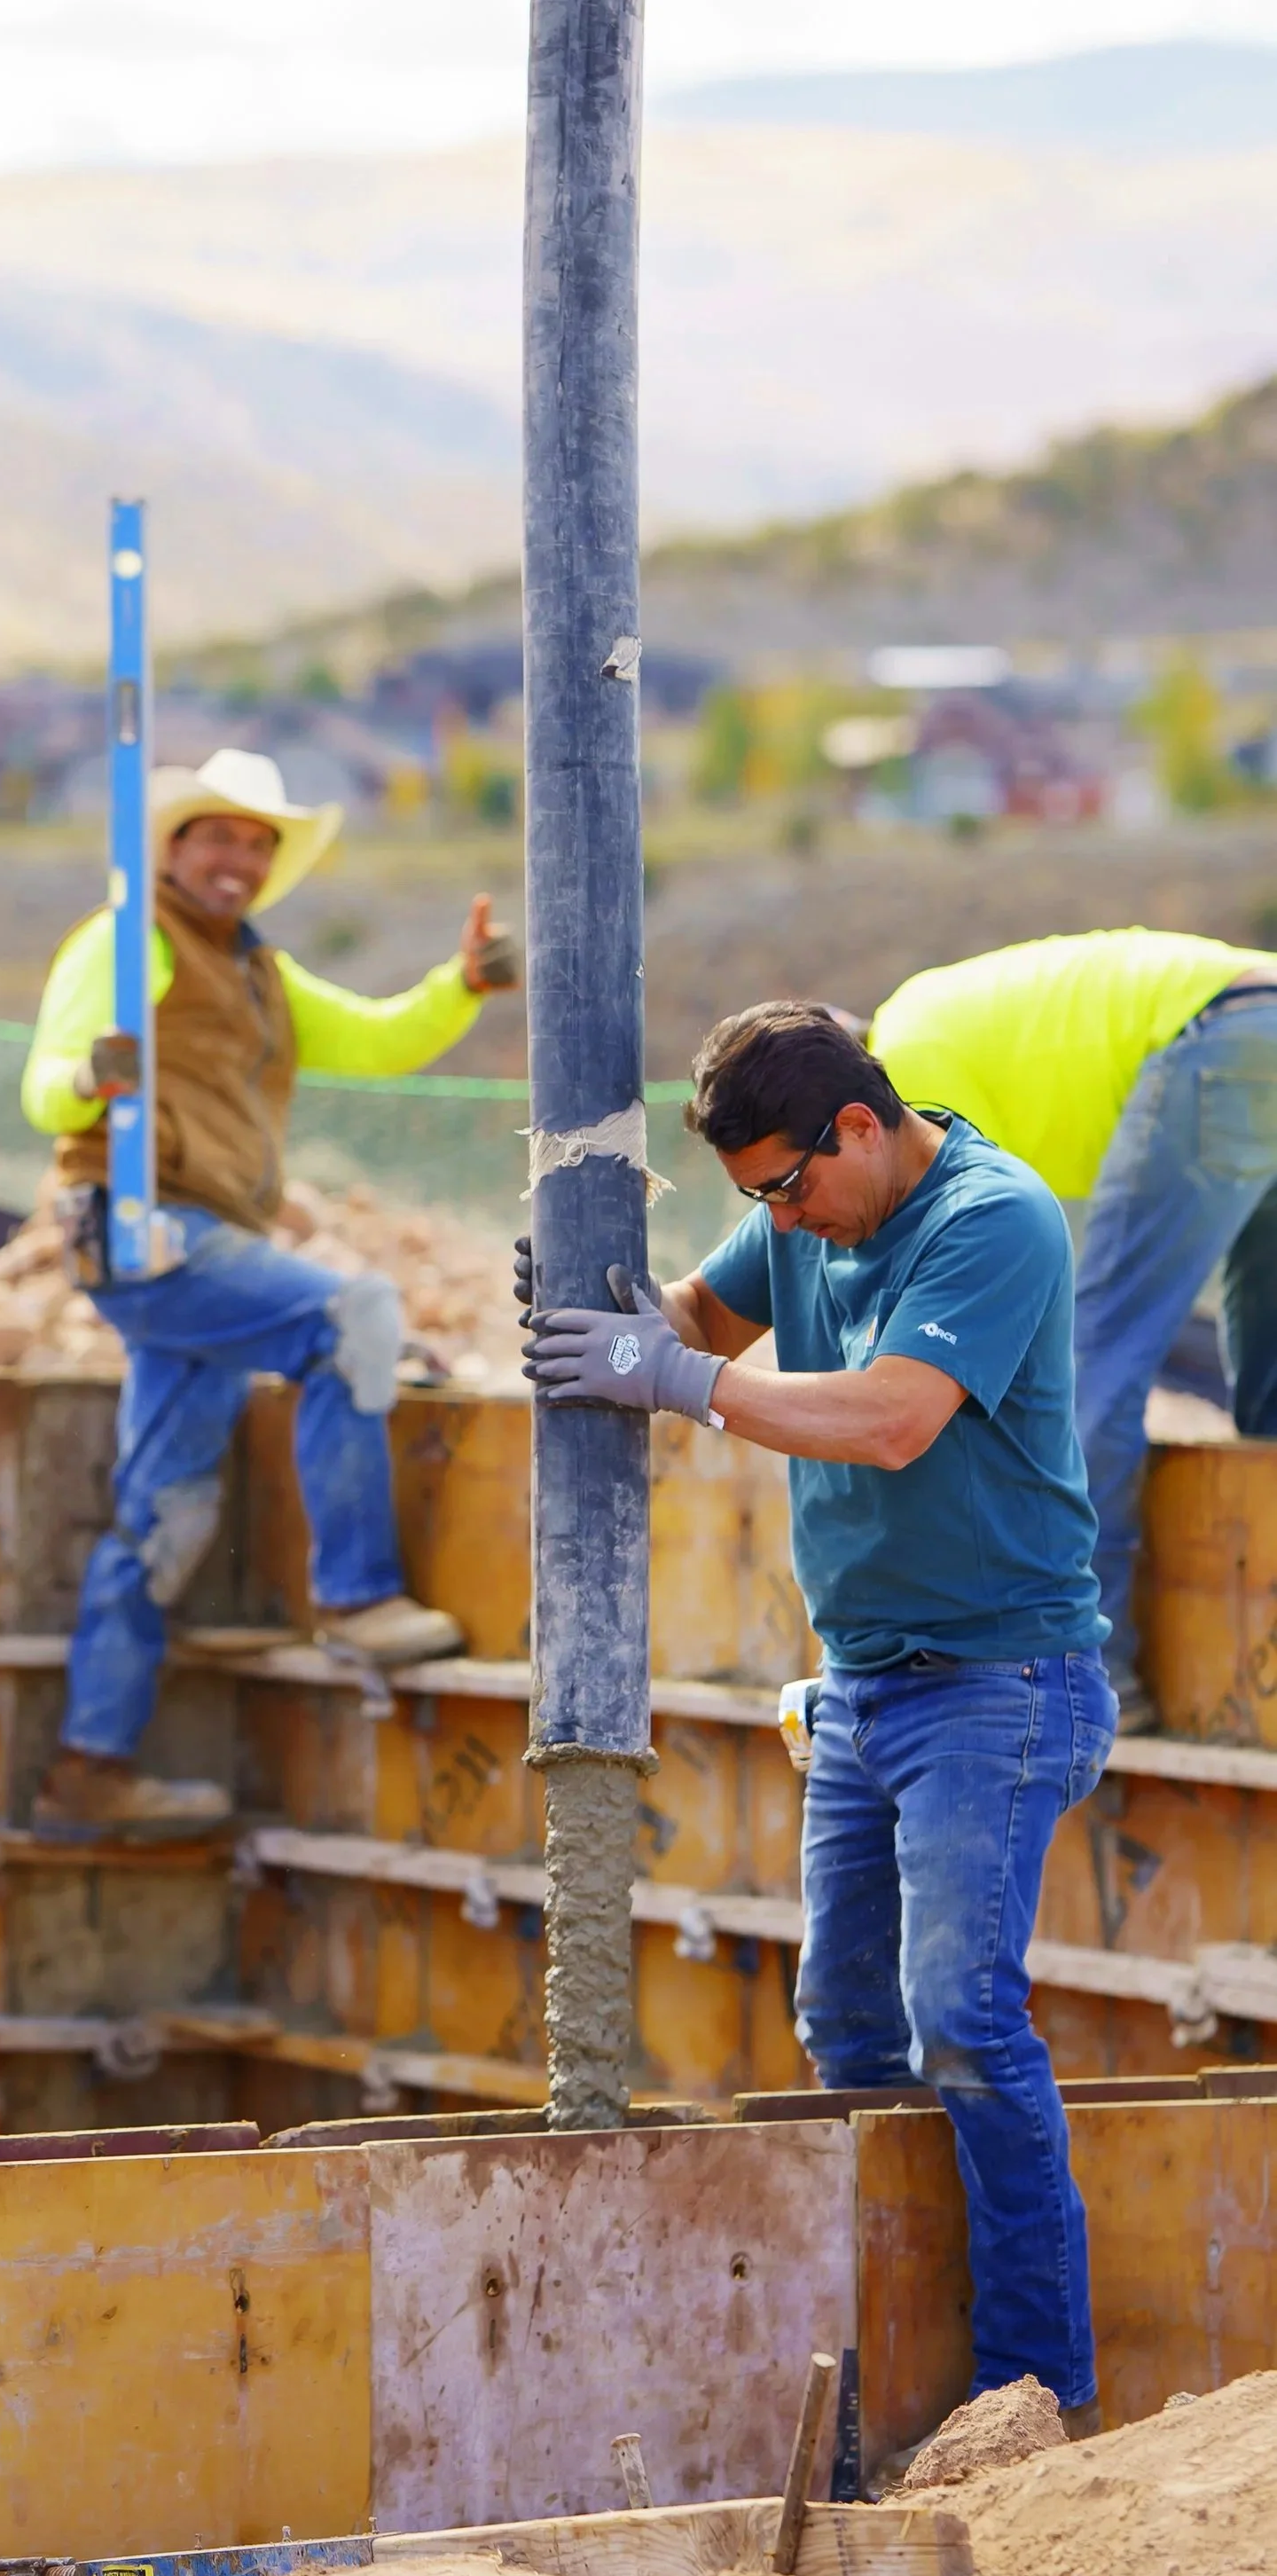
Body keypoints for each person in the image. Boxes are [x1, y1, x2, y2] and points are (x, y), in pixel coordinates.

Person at [522, 1000, 1114, 2423]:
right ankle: (901, 2368)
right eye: (754, 1199)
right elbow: (698, 1320)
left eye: (787, 1188)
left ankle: (1039, 2387)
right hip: (864, 1685)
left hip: (999, 1681)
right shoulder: (805, 1211)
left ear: (858, 1125)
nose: (781, 1222)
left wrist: (675, 1381)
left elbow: (896, 1414)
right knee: (846, 2018)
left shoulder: (993, 1216)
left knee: (962, 2014)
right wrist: (607, 1320)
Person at [21, 744, 516, 1838]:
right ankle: (353, 1596)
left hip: (194, 1248)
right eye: (220, 836)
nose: (240, 858)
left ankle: (86, 1767)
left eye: (258, 842)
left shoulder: (257, 973)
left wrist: (459, 987)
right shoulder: (126, 943)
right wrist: (90, 1080)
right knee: (353, 1316)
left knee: (160, 1518)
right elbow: (47, 1087)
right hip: (148, 1228)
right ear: (173, 846)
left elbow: (378, 1039)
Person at [868, 929, 1277, 1723]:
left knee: (1095, 1363)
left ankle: (1089, 1667)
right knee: (1268, 1377)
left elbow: (966, 1265)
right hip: (1255, 1020)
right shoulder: (942, 1022)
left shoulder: (900, 1068)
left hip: (1215, 1041)